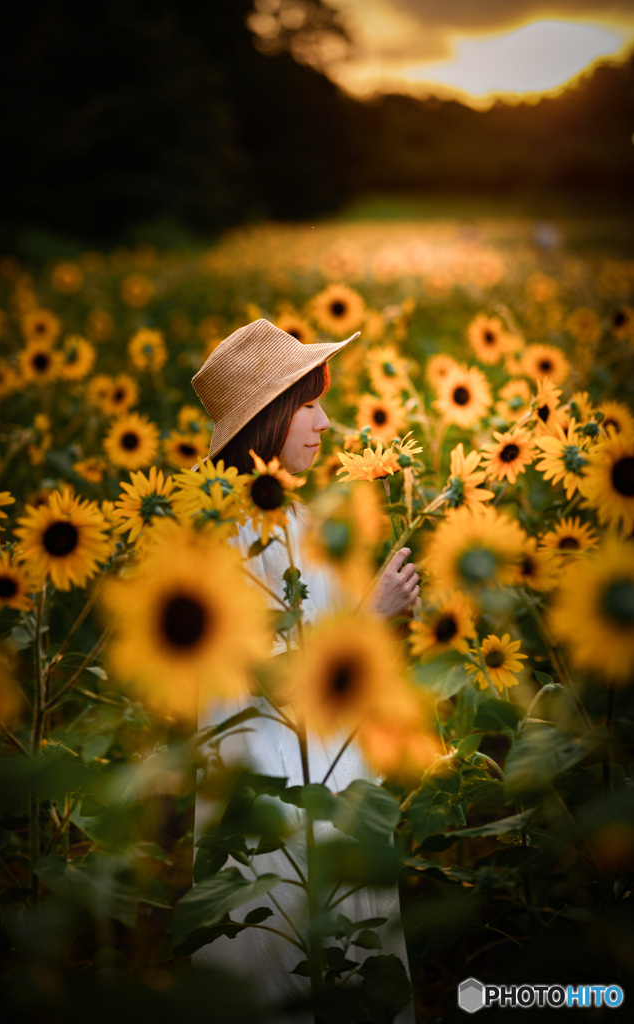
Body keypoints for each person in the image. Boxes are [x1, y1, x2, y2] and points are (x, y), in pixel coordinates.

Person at [190, 319, 419, 1022]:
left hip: (315, 778)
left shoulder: (285, 516)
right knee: (290, 951)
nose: (325, 421)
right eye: (309, 404)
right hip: (284, 795)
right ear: (266, 419)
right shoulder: (238, 532)